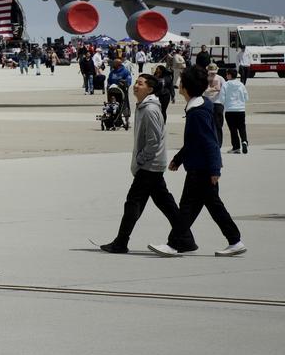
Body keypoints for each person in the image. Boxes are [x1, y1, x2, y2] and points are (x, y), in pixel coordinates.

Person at [151, 66, 244, 257]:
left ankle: (174, 244)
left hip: (202, 169)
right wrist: (179, 159)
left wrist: (214, 169)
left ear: (186, 87)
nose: (179, 84)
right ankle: (234, 240)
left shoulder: (198, 112)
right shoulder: (202, 106)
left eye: (181, 81)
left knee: (188, 208)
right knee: (209, 207)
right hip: (200, 167)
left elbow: (209, 142)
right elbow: (194, 141)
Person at [95, 73, 184, 254]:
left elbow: (154, 140)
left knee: (133, 203)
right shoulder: (144, 107)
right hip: (152, 164)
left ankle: (121, 242)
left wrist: (140, 159)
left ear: (150, 89)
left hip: (149, 165)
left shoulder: (150, 109)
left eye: (140, 83)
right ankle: (186, 238)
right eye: (136, 83)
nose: (135, 86)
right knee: (165, 202)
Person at [222, 69, 249, 155]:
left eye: (227, 74)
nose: (226, 76)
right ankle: (244, 141)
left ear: (229, 75)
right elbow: (246, 97)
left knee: (233, 129)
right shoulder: (241, 84)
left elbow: (222, 98)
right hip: (240, 109)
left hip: (230, 110)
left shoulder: (225, 85)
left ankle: (236, 147)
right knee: (242, 127)